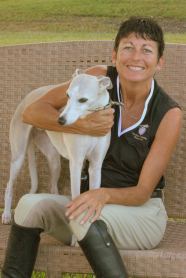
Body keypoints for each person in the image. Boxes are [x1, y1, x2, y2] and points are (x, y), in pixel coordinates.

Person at [2, 17, 182, 278]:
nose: (136, 56)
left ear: (160, 62)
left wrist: (102, 195)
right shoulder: (96, 78)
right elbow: (32, 112)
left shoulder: (168, 113)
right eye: (128, 47)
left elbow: (143, 192)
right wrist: (81, 126)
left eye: (147, 50)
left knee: (84, 217)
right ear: (114, 55)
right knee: (29, 205)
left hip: (140, 214)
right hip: (86, 206)